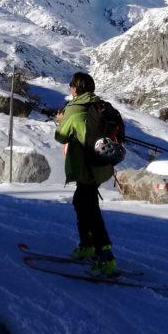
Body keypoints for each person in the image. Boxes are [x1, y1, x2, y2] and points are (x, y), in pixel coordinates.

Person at [54, 71, 117, 277]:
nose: (70, 89)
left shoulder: (73, 108)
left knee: (89, 207)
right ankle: (86, 245)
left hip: (85, 167)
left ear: (76, 88)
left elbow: (61, 136)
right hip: (101, 165)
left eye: (71, 85)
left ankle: (104, 255)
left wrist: (60, 120)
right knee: (82, 202)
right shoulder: (100, 105)